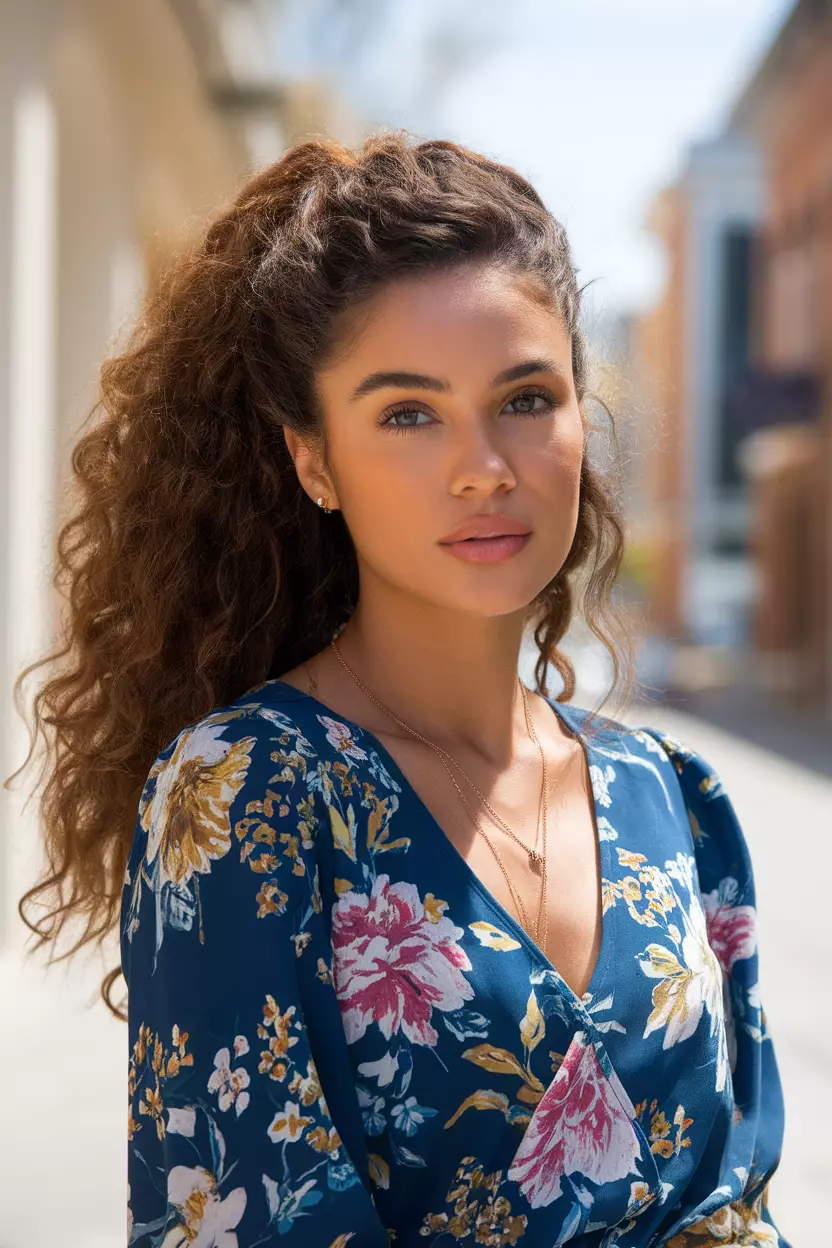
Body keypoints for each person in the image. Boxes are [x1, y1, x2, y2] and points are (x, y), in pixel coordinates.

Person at [12, 131, 788, 1246]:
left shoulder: (675, 797)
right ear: (313, 461)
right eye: (409, 413)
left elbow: (738, 1210)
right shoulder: (251, 797)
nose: (485, 467)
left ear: (582, 417)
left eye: (526, 397)